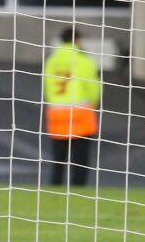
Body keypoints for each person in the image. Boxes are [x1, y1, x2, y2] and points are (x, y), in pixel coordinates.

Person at [43, 26, 102, 187]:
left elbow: (47, 86)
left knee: (58, 160)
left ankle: (54, 190)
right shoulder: (84, 61)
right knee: (80, 161)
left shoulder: (52, 61)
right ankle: (78, 190)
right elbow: (93, 88)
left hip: (57, 114)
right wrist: (93, 104)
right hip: (80, 114)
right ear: (77, 40)